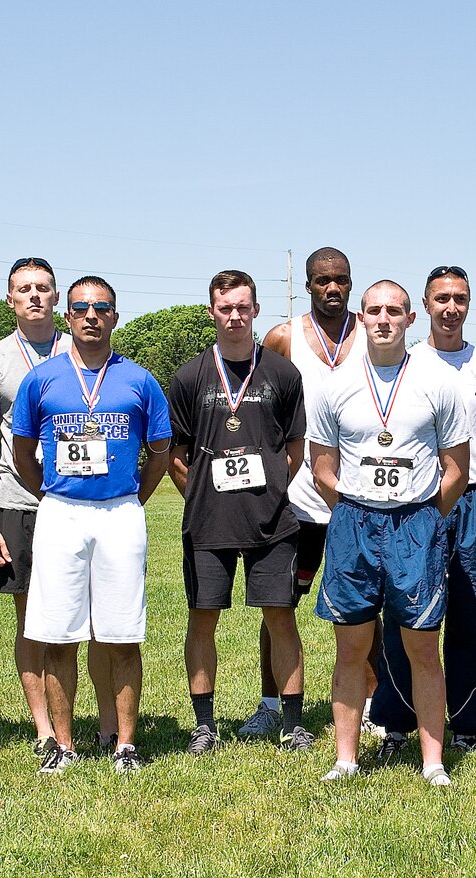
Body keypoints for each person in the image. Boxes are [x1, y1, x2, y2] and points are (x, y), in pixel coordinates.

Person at [309, 280, 470, 786]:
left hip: (416, 524)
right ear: (361, 316)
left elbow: (456, 470)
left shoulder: (437, 382)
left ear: (409, 319)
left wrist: (419, 516)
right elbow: (322, 468)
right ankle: (346, 758)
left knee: (423, 647)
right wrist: (359, 508)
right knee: (351, 648)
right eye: (374, 310)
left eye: (394, 311)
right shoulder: (335, 385)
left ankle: (433, 762)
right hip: (354, 523)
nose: (383, 319)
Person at [11, 276, 172, 774]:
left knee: (122, 635)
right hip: (60, 512)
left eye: (101, 307)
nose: (91, 315)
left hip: (120, 513)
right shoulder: (41, 379)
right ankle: (63, 746)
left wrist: (130, 497)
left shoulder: (140, 380)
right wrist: (53, 494)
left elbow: (162, 452)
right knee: (58, 636)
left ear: (114, 317)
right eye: (81, 307)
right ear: (68, 316)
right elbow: (21, 452)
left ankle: (125, 745)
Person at [0, 256, 114, 756]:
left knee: (96, 620)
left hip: (87, 504)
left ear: (58, 299)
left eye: (43, 288)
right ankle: (45, 731)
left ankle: (106, 724)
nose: (34, 295)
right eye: (23, 288)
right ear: (9, 298)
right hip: (22, 503)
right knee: (34, 620)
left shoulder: (88, 350)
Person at [168, 270, 310, 754]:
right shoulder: (189, 376)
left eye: (243, 307)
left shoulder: (282, 374)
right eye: (225, 308)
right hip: (208, 523)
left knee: (281, 618)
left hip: (273, 523)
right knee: (203, 618)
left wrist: (270, 490)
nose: (235, 316)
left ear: (255, 310)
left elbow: (295, 447)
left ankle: (292, 723)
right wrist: (204, 495)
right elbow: (175, 454)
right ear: (212, 311)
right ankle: (205, 724)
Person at [367, 265, 476, 757]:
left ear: (469, 304)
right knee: (406, 615)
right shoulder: (405, 363)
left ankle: (467, 722)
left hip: (474, 501)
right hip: (413, 507)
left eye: (459, 299)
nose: (450, 308)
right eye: (440, 298)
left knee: (470, 612)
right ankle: (397, 722)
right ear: (424, 307)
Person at [255, 247, 364, 737]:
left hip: (359, 497)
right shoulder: (283, 337)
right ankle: (270, 704)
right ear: (307, 283)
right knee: (280, 604)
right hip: (296, 499)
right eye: (323, 281)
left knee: (368, 606)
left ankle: (373, 705)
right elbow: (258, 407)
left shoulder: (373, 331)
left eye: (341, 279)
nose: (333, 288)